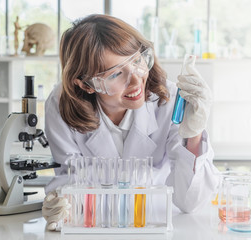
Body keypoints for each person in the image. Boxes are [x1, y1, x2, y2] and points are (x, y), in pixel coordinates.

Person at [42, 14, 219, 231]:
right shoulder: (62, 104)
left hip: (156, 226)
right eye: (116, 73)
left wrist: (194, 133)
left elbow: (190, 202)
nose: (137, 81)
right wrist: (60, 204)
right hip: (97, 229)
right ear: (86, 84)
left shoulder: (170, 100)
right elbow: (71, 181)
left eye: (137, 61)